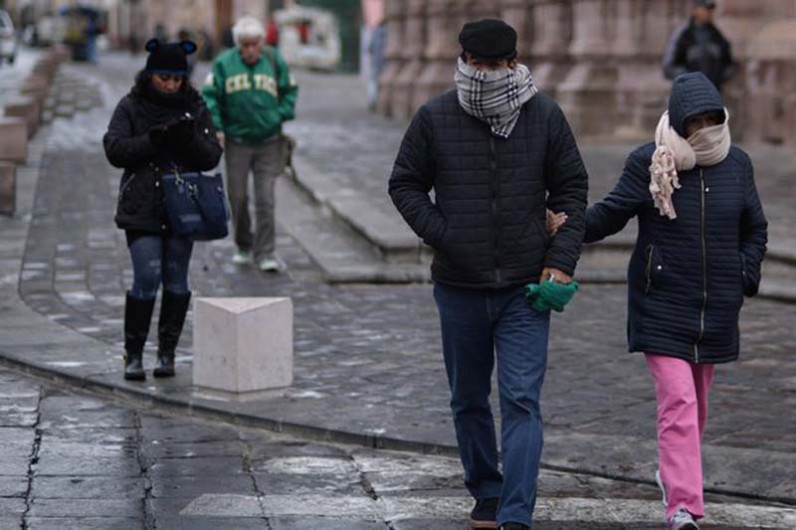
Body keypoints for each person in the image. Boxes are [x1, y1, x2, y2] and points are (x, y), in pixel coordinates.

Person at [389, 19, 588, 530]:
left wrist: (561, 260)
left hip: (525, 288)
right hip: (458, 284)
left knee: (522, 399)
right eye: (478, 65)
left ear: (513, 63)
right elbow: (405, 183)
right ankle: (487, 492)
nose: (486, 75)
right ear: (464, 61)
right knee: (468, 399)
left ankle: (517, 514)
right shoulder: (434, 115)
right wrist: (445, 232)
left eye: (496, 66)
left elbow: (571, 192)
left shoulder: (544, 115)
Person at [581, 72, 767, 530]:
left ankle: (673, 473)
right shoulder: (650, 161)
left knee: (696, 407)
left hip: (716, 307)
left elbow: (755, 227)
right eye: (695, 120)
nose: (704, 128)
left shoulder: (737, 163)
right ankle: (682, 506)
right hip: (661, 302)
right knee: (679, 401)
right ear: (679, 122)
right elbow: (611, 213)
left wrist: (744, 273)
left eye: (712, 118)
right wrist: (562, 230)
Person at [104, 39, 223, 381]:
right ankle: (134, 354)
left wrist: (187, 139)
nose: (171, 85)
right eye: (164, 78)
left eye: (177, 79)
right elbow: (114, 149)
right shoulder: (131, 105)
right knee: (146, 276)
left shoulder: (194, 105)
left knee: (176, 278)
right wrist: (153, 140)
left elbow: (212, 155)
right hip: (142, 204)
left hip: (182, 205)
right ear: (151, 75)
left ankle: (167, 353)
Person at [202, 16, 298, 272]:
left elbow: (290, 90)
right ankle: (244, 243)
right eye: (245, 45)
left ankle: (265, 252)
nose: (251, 50)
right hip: (237, 142)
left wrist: (279, 115)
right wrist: (218, 127)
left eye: (255, 44)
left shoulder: (274, 60)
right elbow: (210, 97)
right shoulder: (224, 64)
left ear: (261, 43)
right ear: (238, 45)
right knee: (238, 197)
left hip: (269, 141)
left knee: (266, 198)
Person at [662, 0, 734, 91]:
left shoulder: (717, 36)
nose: (709, 13)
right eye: (705, 9)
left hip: (712, 95)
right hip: (688, 95)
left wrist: (717, 78)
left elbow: (728, 65)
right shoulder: (683, 34)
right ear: (695, 10)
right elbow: (668, 66)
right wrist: (690, 80)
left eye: (710, 10)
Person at [367, 19, 387, 112]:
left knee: (373, 83)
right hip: (387, 64)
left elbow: (369, 48)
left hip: (375, 63)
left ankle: (373, 102)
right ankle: (383, 103)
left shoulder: (375, 33)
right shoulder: (389, 34)